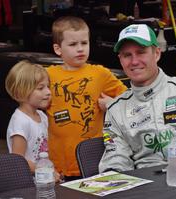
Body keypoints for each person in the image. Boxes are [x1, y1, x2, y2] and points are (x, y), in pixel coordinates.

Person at [99, 24, 176, 173]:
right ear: (120, 59)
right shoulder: (116, 110)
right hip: (147, 188)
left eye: (141, 52)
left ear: (157, 53)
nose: (134, 61)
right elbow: (115, 159)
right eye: (127, 55)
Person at [46, 16, 127, 180]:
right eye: (73, 44)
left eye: (84, 43)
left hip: (93, 159)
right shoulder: (47, 75)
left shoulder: (100, 73)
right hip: (58, 162)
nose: (80, 49)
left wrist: (111, 104)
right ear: (58, 49)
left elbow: (128, 98)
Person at [5, 60, 60, 181]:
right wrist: (45, 171)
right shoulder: (20, 121)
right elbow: (17, 159)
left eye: (48, 87)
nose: (48, 92)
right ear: (21, 91)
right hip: (28, 183)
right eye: (40, 88)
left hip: (44, 178)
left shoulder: (42, 116)